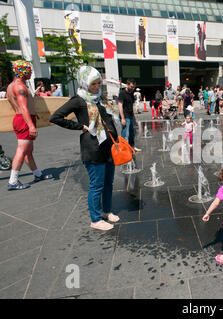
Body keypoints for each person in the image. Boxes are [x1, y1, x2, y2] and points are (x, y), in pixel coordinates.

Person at [50, 66, 120, 231]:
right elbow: (56, 117)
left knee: (108, 182)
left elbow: (108, 119)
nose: (97, 87)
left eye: (98, 83)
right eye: (93, 84)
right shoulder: (79, 100)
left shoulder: (99, 98)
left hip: (108, 147)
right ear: (84, 83)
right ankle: (95, 219)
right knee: (97, 185)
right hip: (93, 148)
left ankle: (106, 211)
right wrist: (80, 127)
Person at [6, 60, 53, 190]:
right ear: (22, 71)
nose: (31, 72)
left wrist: (33, 116)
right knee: (22, 150)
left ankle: (37, 174)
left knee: (28, 151)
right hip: (24, 120)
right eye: (29, 70)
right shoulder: (20, 87)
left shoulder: (12, 85)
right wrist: (31, 125)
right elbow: (23, 107)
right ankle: (13, 180)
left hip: (22, 119)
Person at [118, 78, 141, 152]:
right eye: (131, 87)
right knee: (124, 133)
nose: (132, 88)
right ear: (127, 85)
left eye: (133, 87)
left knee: (132, 133)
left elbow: (131, 106)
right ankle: (123, 149)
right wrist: (122, 118)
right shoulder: (122, 93)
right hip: (125, 116)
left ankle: (132, 147)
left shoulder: (131, 93)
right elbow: (120, 105)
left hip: (130, 116)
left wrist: (134, 118)